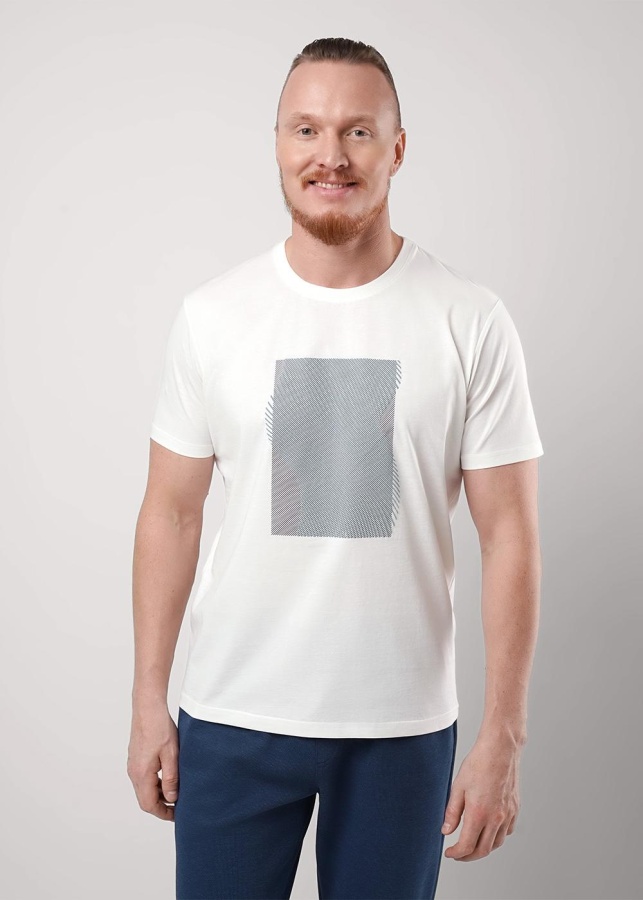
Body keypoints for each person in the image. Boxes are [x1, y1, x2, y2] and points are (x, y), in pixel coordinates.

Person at [127, 36, 544, 900]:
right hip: (233, 716)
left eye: (357, 131)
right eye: (306, 129)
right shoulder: (213, 316)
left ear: (397, 148)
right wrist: (146, 701)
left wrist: (503, 736)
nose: (330, 155)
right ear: (278, 144)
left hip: (400, 728)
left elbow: (509, 533)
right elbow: (171, 513)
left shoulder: (468, 319)